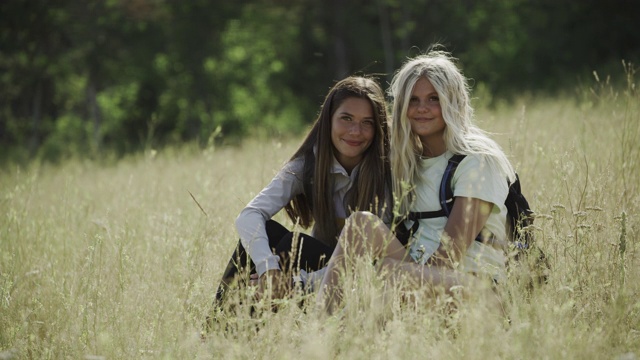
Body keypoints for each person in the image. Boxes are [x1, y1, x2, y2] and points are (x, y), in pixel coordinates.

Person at [316, 48, 517, 315]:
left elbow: (449, 256)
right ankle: (321, 332)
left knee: (388, 273)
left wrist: (388, 276)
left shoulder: (479, 160)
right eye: (413, 99)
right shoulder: (409, 162)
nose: (422, 108)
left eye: (434, 98)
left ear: (452, 101)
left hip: (478, 290)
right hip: (420, 276)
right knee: (360, 224)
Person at [212, 76, 392, 316]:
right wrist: (269, 270)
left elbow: (368, 265)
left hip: (366, 281)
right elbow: (249, 215)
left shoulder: (388, 170)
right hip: (320, 276)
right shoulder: (308, 165)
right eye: (346, 118)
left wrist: (298, 283)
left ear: (378, 127)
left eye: (367, 122)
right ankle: (219, 336)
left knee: (291, 247)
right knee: (269, 233)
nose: (355, 131)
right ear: (328, 120)